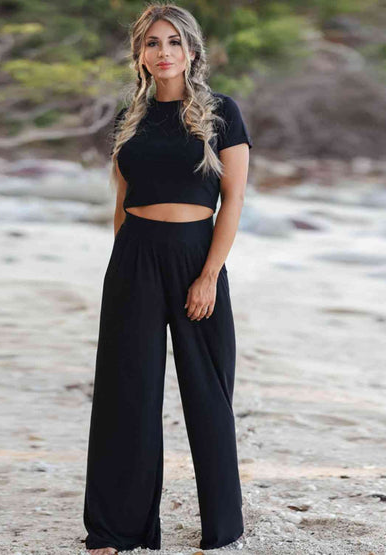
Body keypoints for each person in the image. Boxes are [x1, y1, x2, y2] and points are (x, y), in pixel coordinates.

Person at [83, 3, 252, 554]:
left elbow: (232, 202)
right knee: (124, 390)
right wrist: (123, 263)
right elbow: (122, 199)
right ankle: (114, 531)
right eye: (152, 43)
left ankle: (222, 529)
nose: (163, 53)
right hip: (135, 255)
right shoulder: (127, 118)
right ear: (139, 53)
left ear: (192, 51)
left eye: (173, 42)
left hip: (195, 253)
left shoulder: (221, 112)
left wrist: (209, 275)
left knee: (207, 391)